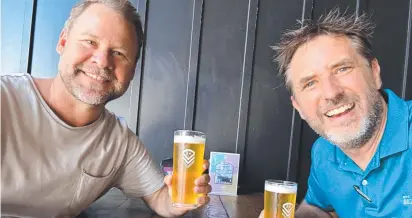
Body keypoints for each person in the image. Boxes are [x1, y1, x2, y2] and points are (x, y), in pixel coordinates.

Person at [1, 0, 211, 217]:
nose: (102, 62)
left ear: (132, 70)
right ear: (63, 42)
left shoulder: (119, 143)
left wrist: (182, 197)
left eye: (119, 53)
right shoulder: (5, 100)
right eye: (90, 41)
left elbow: (161, 198)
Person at [259, 9, 412, 218]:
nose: (331, 93)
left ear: (374, 72)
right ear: (299, 107)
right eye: (310, 83)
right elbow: (314, 208)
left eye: (342, 69)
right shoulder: (325, 152)